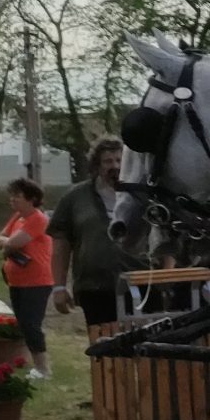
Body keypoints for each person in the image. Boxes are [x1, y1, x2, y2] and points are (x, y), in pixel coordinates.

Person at [49, 138, 148, 328]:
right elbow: (60, 245)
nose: (115, 166)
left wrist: (166, 275)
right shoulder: (75, 198)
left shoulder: (142, 194)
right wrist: (59, 287)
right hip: (95, 287)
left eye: (119, 160)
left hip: (140, 283)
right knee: (104, 349)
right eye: (108, 161)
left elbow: (161, 234)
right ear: (97, 165)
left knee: (144, 347)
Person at [0, 177, 56, 379]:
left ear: (32, 199)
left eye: (17, 196)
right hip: (17, 280)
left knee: (31, 324)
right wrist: (7, 243)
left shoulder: (38, 219)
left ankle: (43, 368)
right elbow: (1, 238)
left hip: (36, 281)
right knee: (23, 324)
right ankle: (36, 364)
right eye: (11, 195)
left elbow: (13, 243)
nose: (12, 199)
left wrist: (8, 243)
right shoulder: (17, 217)